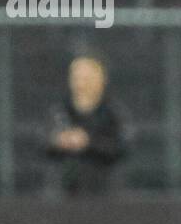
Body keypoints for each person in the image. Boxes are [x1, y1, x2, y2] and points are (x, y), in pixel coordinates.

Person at [44, 54, 128, 195]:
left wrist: (88, 141)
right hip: (62, 196)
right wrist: (60, 141)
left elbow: (122, 146)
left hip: (105, 195)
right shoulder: (58, 112)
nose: (81, 84)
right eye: (77, 78)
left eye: (87, 78)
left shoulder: (113, 113)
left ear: (101, 80)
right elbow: (43, 142)